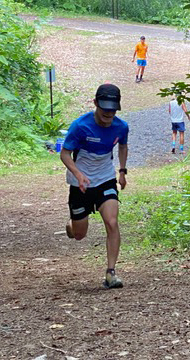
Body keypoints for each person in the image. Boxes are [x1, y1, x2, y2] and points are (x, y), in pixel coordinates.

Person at [60, 83, 129, 289]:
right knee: (80, 235)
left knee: (112, 221)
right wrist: (78, 174)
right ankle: (72, 225)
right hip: (79, 182)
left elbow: (123, 146)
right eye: (105, 109)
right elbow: (64, 154)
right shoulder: (80, 126)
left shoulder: (122, 127)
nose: (109, 114)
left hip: (105, 178)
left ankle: (111, 273)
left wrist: (122, 171)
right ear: (95, 104)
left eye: (112, 110)